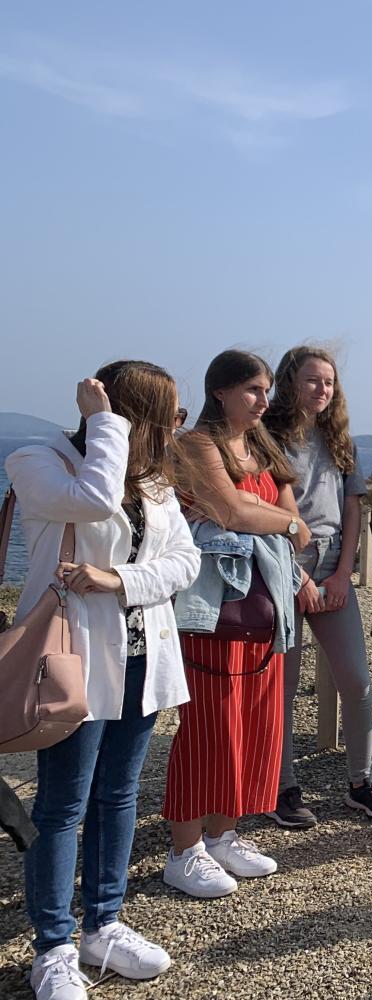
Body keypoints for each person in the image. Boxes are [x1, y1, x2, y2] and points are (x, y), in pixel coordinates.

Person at [8, 365, 199, 999]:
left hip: (143, 653)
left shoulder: (152, 481)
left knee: (118, 793)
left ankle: (105, 924)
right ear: (135, 415)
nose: (178, 427)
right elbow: (92, 498)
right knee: (63, 802)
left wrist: (120, 580)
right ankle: (54, 946)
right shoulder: (38, 459)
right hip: (74, 658)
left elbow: (183, 561)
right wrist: (103, 422)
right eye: (169, 414)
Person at [163, 350, 309, 899]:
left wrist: (275, 517)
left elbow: (281, 511)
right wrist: (285, 522)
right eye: (252, 389)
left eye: (266, 389)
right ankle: (184, 848)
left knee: (254, 722)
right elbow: (233, 513)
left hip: (264, 606)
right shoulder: (198, 444)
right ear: (220, 391)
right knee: (207, 728)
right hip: (213, 608)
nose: (264, 400)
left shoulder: (263, 445)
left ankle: (224, 833)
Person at [263, 346, 372, 826]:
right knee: (285, 686)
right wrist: (297, 577)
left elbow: (354, 508)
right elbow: (268, 512)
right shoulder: (266, 438)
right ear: (289, 382)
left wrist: (343, 575)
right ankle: (283, 786)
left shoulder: (340, 440)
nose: (323, 390)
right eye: (313, 381)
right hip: (283, 568)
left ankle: (360, 781)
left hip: (334, 566)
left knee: (358, 682)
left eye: (330, 382)